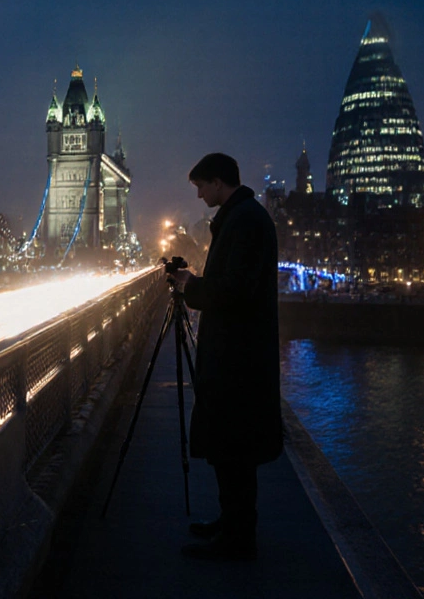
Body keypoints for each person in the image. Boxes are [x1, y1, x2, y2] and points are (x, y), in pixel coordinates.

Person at [170, 152, 283, 561]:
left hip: (239, 359)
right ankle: (231, 521)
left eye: (201, 187)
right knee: (230, 449)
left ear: (218, 182)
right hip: (236, 354)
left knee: (234, 448)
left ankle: (238, 538)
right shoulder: (241, 218)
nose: (199, 196)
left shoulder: (246, 222)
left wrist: (190, 287)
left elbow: (234, 290)